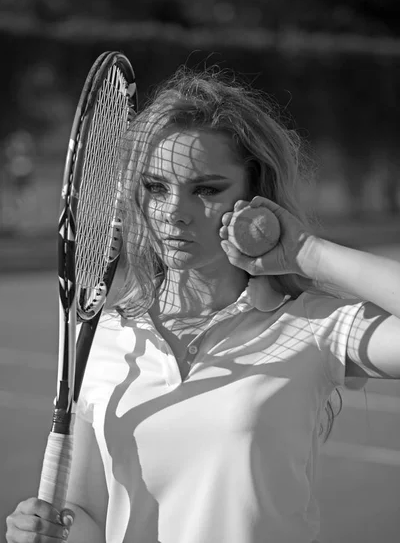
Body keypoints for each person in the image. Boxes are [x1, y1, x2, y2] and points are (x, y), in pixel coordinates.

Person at [6, 68, 400, 543]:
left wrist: (307, 252)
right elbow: (89, 512)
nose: (173, 211)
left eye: (206, 189)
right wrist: (52, 532)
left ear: (256, 197)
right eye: (155, 187)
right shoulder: (104, 336)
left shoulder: (314, 326)